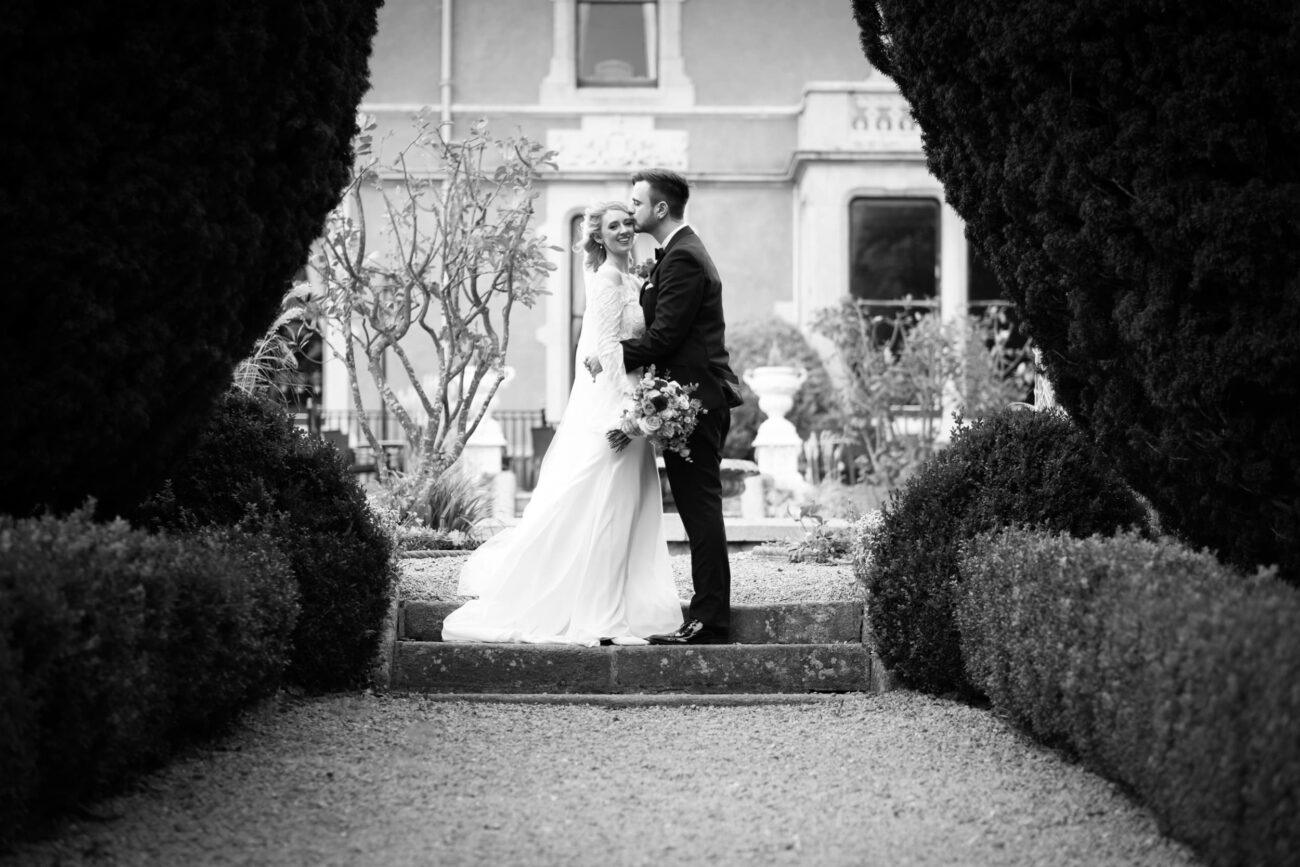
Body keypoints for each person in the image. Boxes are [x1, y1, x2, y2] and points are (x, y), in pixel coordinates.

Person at [440, 201, 683, 647]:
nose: (625, 229)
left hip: (633, 399)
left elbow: (634, 346)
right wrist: (630, 415)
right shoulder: (608, 279)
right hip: (619, 410)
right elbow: (606, 350)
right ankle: (598, 611)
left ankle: (623, 603)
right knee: (605, 503)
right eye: (614, 226)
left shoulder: (632, 279)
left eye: (628, 222)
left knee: (626, 506)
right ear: (598, 237)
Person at [587, 168, 741, 646]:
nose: (629, 212)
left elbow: (665, 337)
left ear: (659, 208)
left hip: (694, 403)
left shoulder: (684, 259)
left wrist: (607, 358)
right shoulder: (674, 255)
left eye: (635, 203)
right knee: (699, 511)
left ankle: (709, 621)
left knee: (700, 512)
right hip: (686, 401)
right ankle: (706, 614)